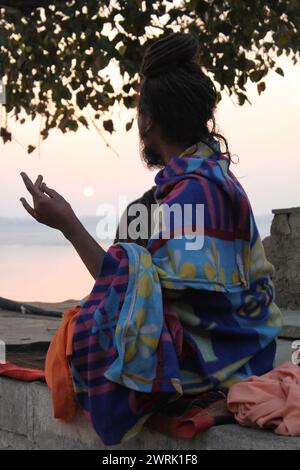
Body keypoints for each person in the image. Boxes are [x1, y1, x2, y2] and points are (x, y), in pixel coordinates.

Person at [20, 32, 283, 445]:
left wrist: (69, 225)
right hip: (254, 350)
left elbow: (132, 301)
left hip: (219, 364)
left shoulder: (193, 192)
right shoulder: (214, 179)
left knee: (75, 334)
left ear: (149, 120)